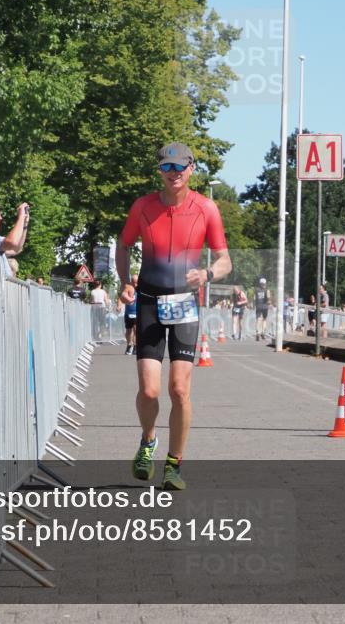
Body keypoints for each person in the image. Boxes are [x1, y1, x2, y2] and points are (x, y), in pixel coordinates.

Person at [116, 142, 231, 491]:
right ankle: (148, 440)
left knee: (178, 389)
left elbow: (225, 260)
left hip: (184, 304)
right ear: (160, 171)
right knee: (149, 391)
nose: (174, 173)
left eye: (180, 167)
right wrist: (124, 282)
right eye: (168, 167)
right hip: (149, 300)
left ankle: (174, 464)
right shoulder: (143, 207)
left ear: (192, 169)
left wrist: (207, 275)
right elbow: (123, 246)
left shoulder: (206, 208)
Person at [123, 274, 139, 355]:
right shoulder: (128, 287)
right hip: (129, 312)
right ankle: (129, 345)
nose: (135, 284)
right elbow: (122, 296)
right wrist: (127, 298)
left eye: (136, 282)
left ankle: (136, 347)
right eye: (133, 282)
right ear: (131, 281)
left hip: (138, 312)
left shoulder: (141, 288)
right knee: (129, 331)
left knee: (136, 330)